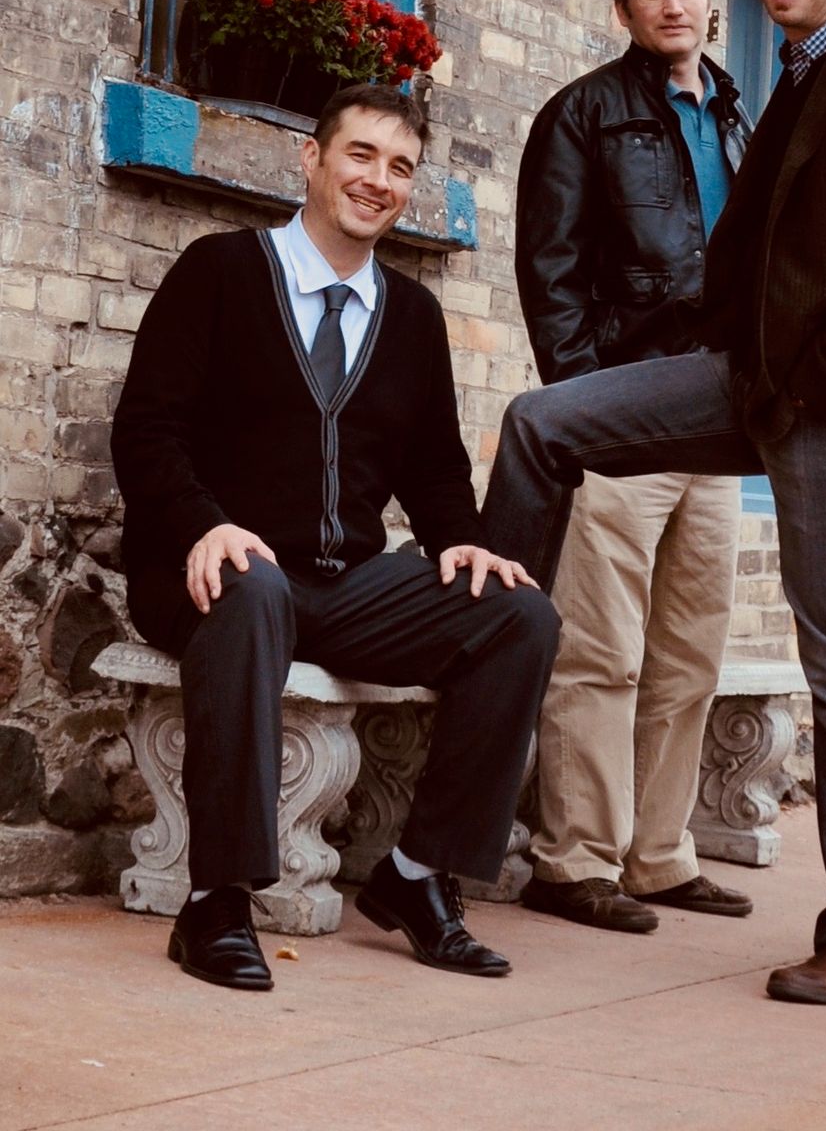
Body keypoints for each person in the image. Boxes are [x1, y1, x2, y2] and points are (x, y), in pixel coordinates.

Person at [483, 0, 826, 1004]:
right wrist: (704, 375)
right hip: (744, 384)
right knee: (541, 423)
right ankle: (482, 661)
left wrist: (809, 391)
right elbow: (737, 265)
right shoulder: (794, 75)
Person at [111, 83, 560, 992]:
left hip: (343, 585)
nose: (377, 180)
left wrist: (461, 539)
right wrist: (206, 524)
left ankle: (418, 875)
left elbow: (434, 471)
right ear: (311, 158)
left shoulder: (413, 317)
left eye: (400, 167)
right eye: (360, 154)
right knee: (254, 585)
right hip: (210, 572)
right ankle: (216, 901)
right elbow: (146, 432)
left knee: (519, 614)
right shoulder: (219, 271)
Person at [515, 0, 753, 934]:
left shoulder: (738, 115)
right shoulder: (582, 114)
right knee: (600, 653)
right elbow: (551, 274)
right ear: (623, 8)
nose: (672, 5)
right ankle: (574, 860)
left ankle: (659, 855)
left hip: (717, 422)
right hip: (621, 414)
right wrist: (586, 407)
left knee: (688, 655)